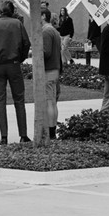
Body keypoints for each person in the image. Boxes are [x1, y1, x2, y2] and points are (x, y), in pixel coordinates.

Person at [0, 1, 31, 145]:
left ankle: (4, 136)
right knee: (19, 100)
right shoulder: (17, 24)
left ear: (0, 11)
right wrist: (21, 57)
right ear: (12, 11)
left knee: (1, 101)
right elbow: (26, 43)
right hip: (14, 64)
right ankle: (23, 134)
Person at [42, 7, 62, 139]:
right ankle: (52, 129)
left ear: (43, 16)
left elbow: (46, 52)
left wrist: (34, 52)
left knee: (49, 102)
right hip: (55, 69)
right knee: (53, 102)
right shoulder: (54, 31)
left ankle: (50, 132)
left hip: (48, 70)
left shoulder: (46, 32)